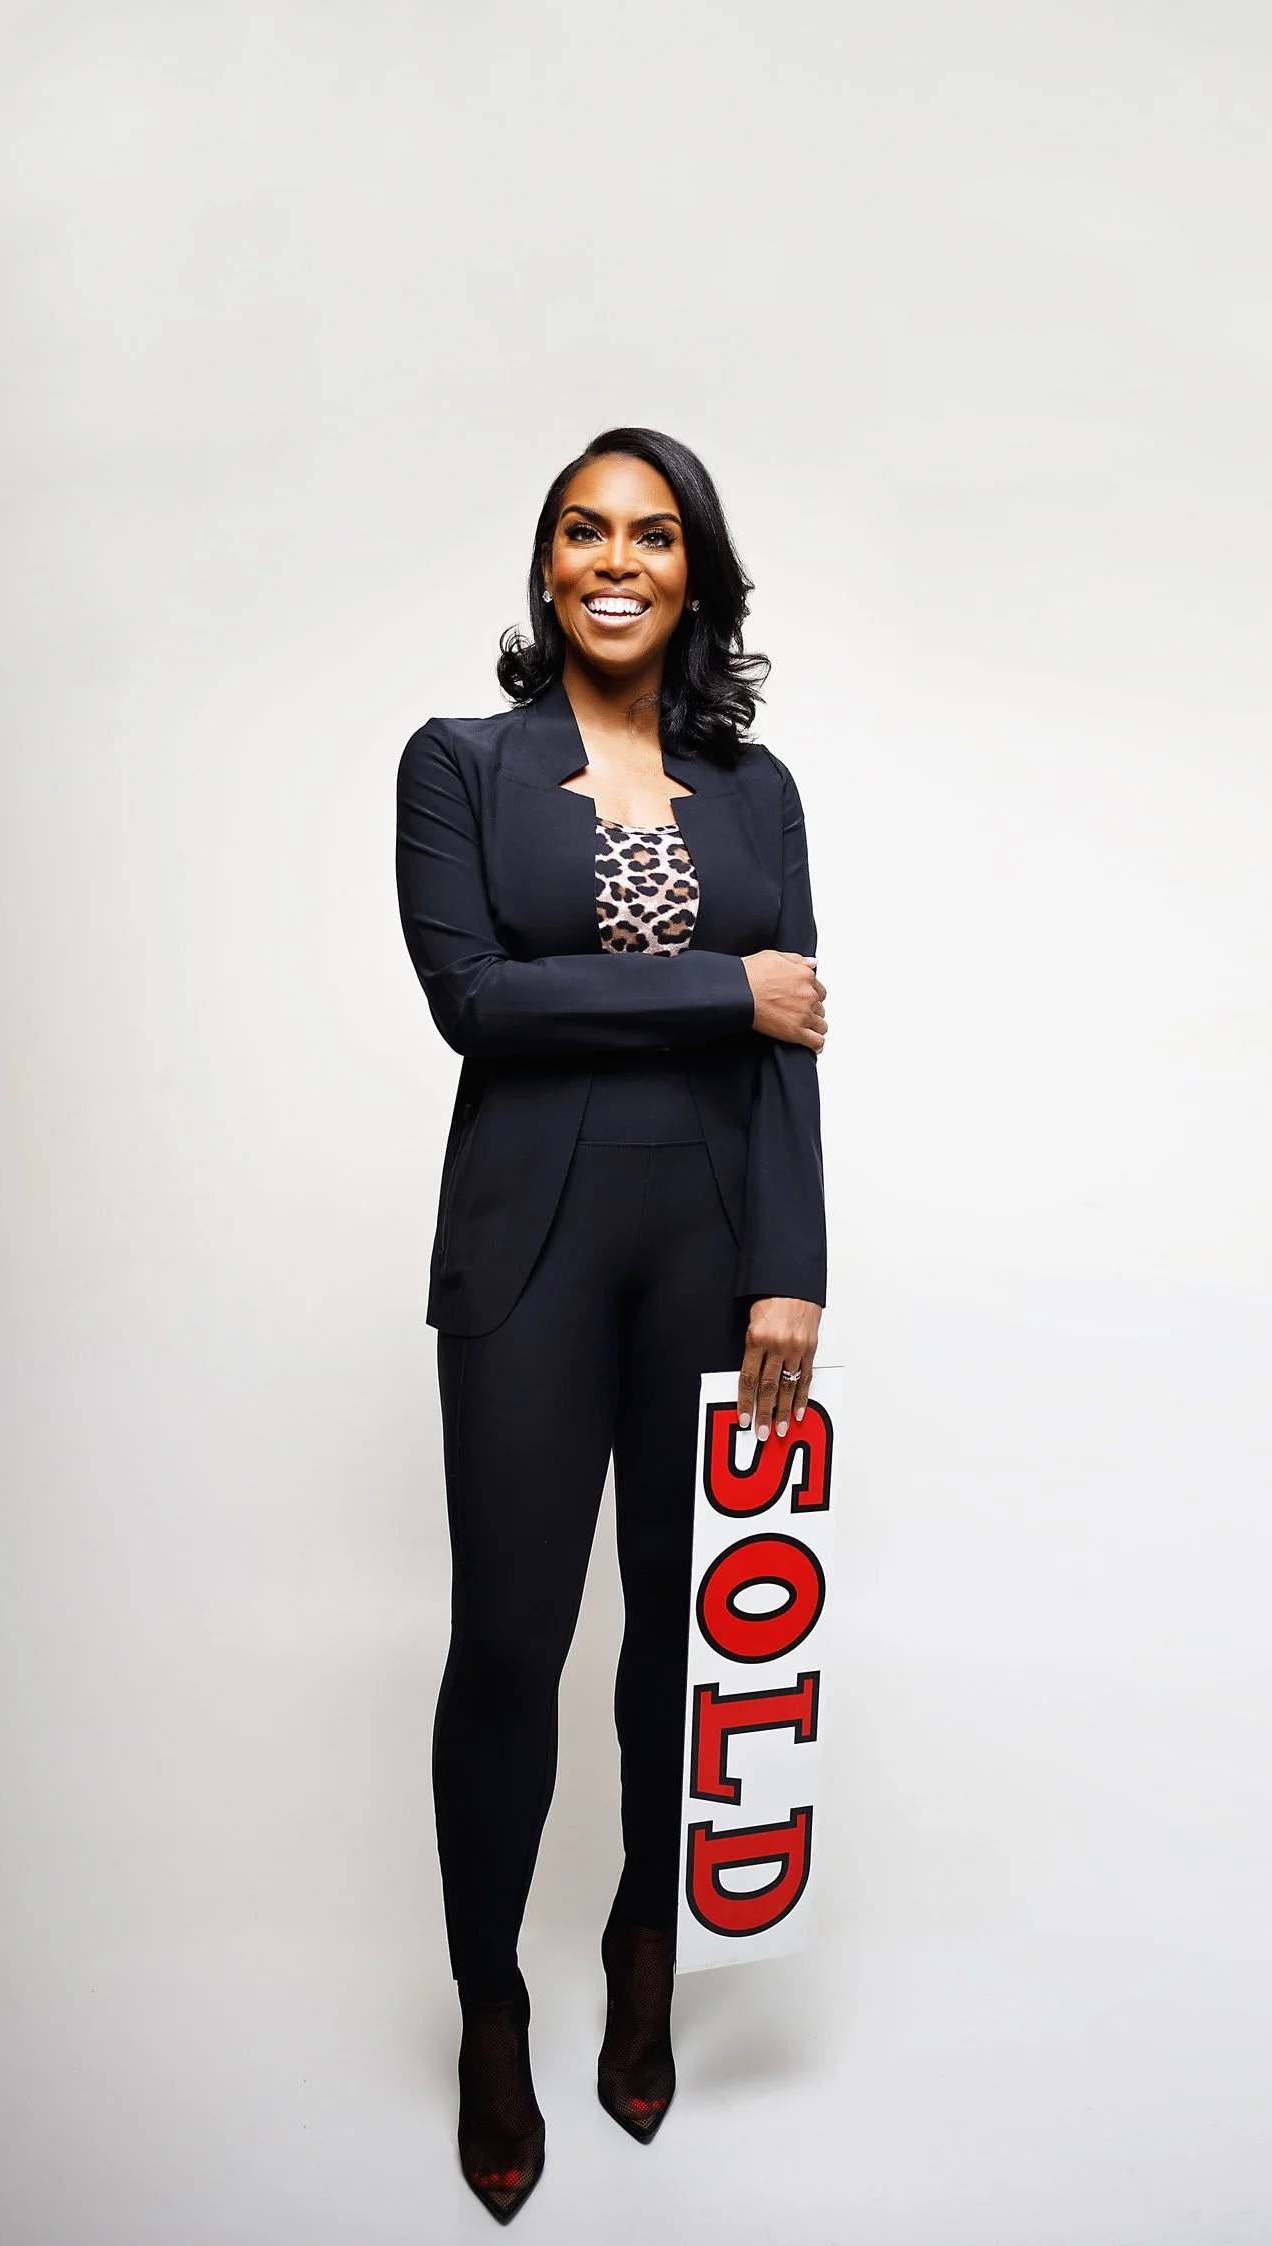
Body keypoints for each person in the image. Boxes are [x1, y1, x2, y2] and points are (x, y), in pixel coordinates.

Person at [395, 427, 829, 2222]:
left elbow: (798, 1045)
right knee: (511, 1640)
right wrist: (722, 983)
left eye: (653, 533)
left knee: (678, 1645)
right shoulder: (462, 764)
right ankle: (492, 2005)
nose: (616, 558)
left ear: (697, 571)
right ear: (547, 566)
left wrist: (795, 1265)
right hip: (531, 1244)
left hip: (715, 1247)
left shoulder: (762, 789)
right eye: (584, 530)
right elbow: (478, 1003)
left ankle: (641, 1946)